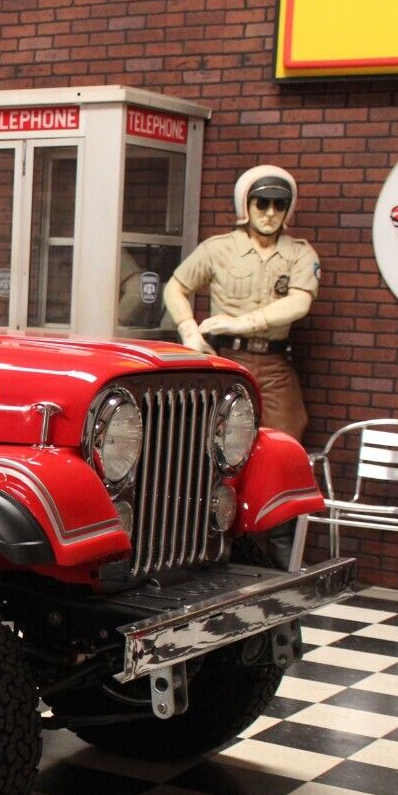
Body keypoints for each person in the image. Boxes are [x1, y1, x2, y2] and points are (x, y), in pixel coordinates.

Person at [163, 165, 320, 567]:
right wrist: (188, 331)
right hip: (225, 364)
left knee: (283, 454)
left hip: (273, 363)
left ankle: (281, 567)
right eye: (261, 203)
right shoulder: (219, 249)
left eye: (278, 204)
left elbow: (299, 302)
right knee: (209, 453)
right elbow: (176, 287)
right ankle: (202, 554)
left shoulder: (300, 253)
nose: (269, 212)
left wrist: (245, 321)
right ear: (245, 205)